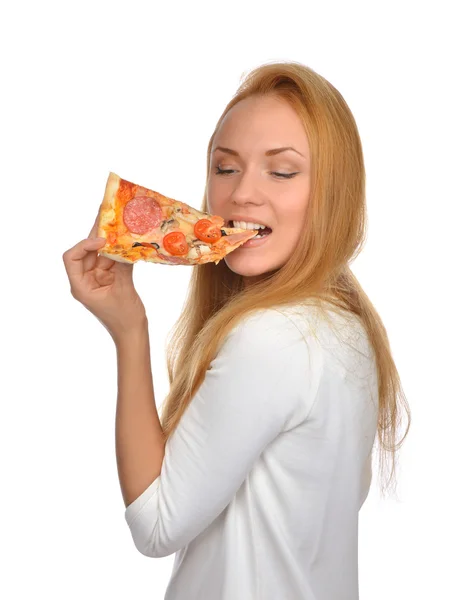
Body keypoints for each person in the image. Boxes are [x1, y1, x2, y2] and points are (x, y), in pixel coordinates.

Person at [62, 61, 411, 600]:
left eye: (283, 170)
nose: (242, 194)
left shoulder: (272, 337)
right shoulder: (347, 328)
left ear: (334, 192)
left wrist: (130, 332)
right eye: (225, 169)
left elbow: (156, 527)